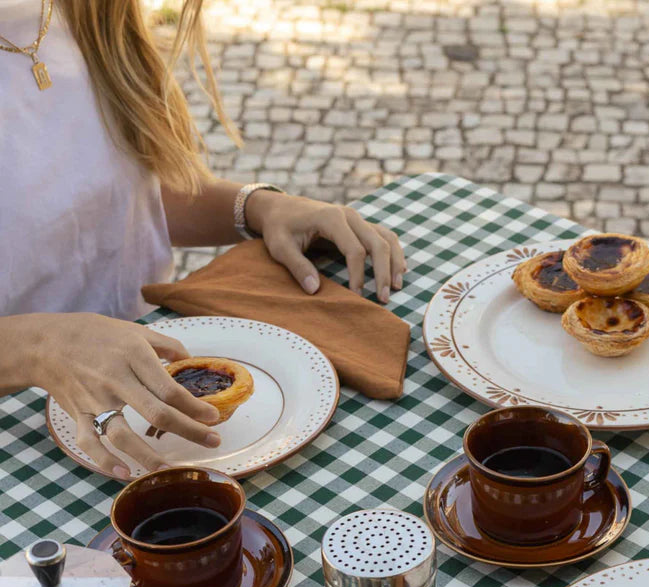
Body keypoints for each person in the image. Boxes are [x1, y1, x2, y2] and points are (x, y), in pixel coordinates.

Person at [0, 0, 405, 477]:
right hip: (23, 445)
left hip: (155, 398)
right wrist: (39, 347)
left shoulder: (84, 13)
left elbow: (118, 201)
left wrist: (258, 208)